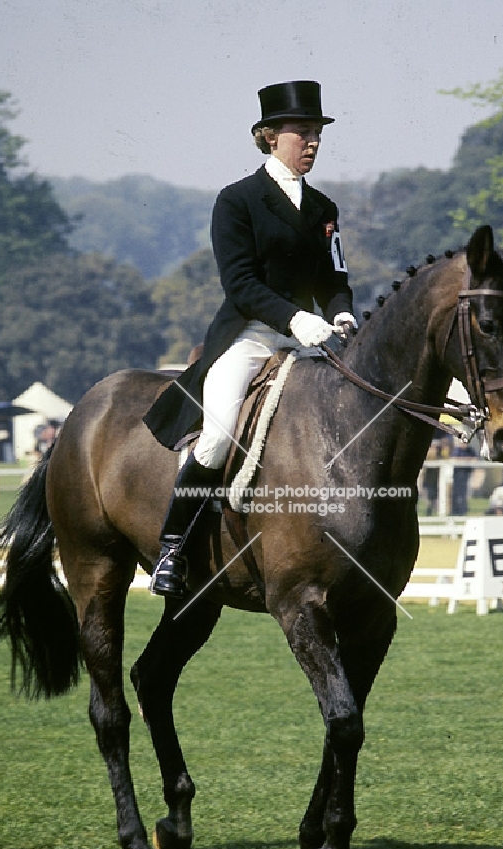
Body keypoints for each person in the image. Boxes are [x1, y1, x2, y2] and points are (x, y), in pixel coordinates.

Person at [144, 80, 356, 596]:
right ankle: (172, 547)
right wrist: (294, 319)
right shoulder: (237, 200)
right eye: (301, 132)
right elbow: (239, 284)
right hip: (250, 336)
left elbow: (334, 280)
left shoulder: (323, 207)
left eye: (316, 133)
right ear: (268, 137)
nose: (312, 142)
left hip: (309, 337)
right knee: (217, 437)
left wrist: (342, 316)